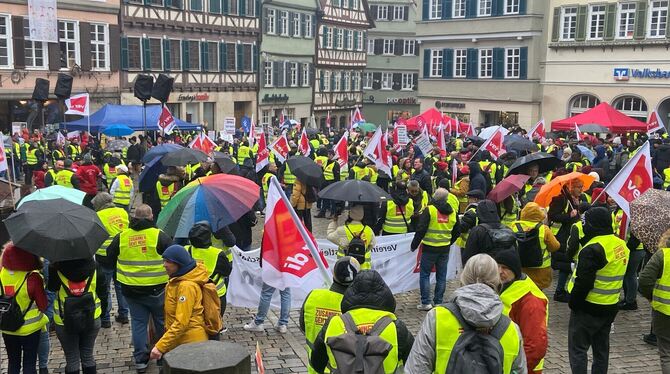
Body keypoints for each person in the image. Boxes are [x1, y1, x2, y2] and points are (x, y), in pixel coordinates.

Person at [405, 254, 527, 373]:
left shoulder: (437, 317)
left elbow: (416, 368)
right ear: (497, 282)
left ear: (463, 278)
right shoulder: (511, 329)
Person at [106, 204, 173, 373]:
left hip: (131, 290)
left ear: (134, 218)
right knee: (161, 322)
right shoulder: (160, 236)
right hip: (158, 290)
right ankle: (162, 357)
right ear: (151, 218)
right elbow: (173, 257)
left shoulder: (122, 237)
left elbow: (108, 257)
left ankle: (141, 361)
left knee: (138, 324)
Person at [310, 270, 414, 373]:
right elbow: (415, 364)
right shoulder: (396, 328)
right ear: (386, 296)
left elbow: (316, 363)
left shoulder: (333, 323)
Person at [566, 207, 629, 374]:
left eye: (586, 223)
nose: (583, 226)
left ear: (593, 225)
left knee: (578, 350)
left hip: (587, 307)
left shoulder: (592, 248)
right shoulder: (620, 244)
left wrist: (573, 303)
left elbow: (583, 283)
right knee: (601, 350)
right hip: (610, 306)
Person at [300, 257, 360, 374]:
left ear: (334, 274)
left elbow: (304, 326)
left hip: (314, 368)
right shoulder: (356, 306)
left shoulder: (314, 296)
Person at [149, 245, 210, 361]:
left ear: (179, 264)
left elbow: (181, 322)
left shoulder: (186, 287)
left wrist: (160, 347)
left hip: (190, 344)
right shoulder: (175, 281)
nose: (164, 264)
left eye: (168, 261)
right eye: (164, 261)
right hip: (179, 342)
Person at [495, 250, 548, 374]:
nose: (499, 271)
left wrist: (518, 370)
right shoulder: (506, 285)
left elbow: (535, 346)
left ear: (515, 271)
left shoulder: (531, 301)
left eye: (505, 268)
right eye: (497, 266)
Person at [0, 243, 49, 374]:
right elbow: (43, 305)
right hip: (30, 329)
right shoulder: (33, 277)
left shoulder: (1, 274)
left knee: (13, 362)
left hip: (8, 327)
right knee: (29, 363)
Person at [48, 256, 101, 374]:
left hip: (64, 319)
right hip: (92, 316)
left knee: (72, 358)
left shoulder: (55, 267)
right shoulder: (94, 265)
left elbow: (52, 288)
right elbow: (102, 290)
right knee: (88, 355)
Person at [411, 188, 460, 311]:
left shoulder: (430, 210)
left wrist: (414, 244)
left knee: (425, 275)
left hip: (429, 248)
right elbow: (457, 231)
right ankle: (438, 301)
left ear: (434, 197)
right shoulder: (453, 212)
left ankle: (426, 302)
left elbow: (421, 229)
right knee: (441, 275)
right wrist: (448, 242)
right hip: (444, 249)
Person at [92, 193, 130, 328]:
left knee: (104, 288)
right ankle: (124, 314)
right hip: (121, 253)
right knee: (120, 286)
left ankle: (105, 318)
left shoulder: (97, 216)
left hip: (104, 256)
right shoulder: (122, 212)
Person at [548, 178, 586, 302]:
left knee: (569, 262)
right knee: (566, 263)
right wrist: (569, 216)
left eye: (582, 186)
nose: (581, 189)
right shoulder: (561, 199)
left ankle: (564, 289)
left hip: (574, 234)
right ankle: (559, 291)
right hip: (562, 236)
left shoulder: (580, 199)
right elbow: (553, 216)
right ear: (571, 187)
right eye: (578, 187)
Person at [639, 228, 670, 373]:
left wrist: (651, 298)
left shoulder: (663, 255)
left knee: (666, 353)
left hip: (664, 310)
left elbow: (644, 281)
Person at [185, 222, 232, 316]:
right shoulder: (217, 253)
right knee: (214, 324)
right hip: (215, 294)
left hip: (193, 294)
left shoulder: (186, 250)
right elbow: (227, 271)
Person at [511, 202, 561, 290]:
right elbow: (555, 247)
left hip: (520, 267)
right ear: (539, 214)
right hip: (540, 270)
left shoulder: (514, 227)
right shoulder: (544, 229)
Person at [461, 199, 516, 265]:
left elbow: (468, 257)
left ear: (479, 212)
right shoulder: (508, 230)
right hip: (503, 270)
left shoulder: (478, 231)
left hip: (483, 269)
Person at [327, 205, 376, 269]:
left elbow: (330, 236)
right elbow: (373, 244)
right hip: (364, 267)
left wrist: (334, 222)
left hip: (345, 266)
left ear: (350, 215)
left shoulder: (342, 230)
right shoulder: (368, 230)